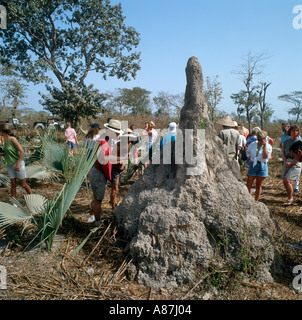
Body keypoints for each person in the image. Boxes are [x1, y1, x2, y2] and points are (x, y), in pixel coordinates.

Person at [88, 119, 125, 226]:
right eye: (116, 133)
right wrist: (118, 161)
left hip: (99, 172)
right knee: (98, 200)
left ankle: (92, 216)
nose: (118, 135)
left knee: (96, 198)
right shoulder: (103, 142)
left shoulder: (104, 140)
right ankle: (97, 222)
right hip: (99, 173)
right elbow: (104, 160)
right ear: (110, 132)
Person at [0, 124, 32, 199]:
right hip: (9, 165)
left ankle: (32, 197)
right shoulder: (5, 140)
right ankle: (14, 201)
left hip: (18, 164)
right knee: (13, 184)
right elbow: (8, 152)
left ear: (2, 131)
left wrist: (18, 164)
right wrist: (3, 154)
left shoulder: (13, 139)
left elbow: (22, 151)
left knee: (23, 184)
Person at [110, 130, 136, 211]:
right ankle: (113, 208)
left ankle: (113, 203)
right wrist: (124, 159)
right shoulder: (117, 146)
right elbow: (112, 161)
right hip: (115, 169)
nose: (130, 140)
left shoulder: (129, 144)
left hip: (121, 169)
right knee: (115, 189)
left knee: (117, 189)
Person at [246, 130, 272, 202]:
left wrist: (264, 146)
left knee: (258, 184)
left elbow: (265, 156)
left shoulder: (268, 146)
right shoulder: (253, 144)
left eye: (261, 140)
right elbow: (247, 152)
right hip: (253, 164)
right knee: (249, 183)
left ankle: (256, 201)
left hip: (262, 165)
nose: (260, 141)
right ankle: (247, 199)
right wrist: (250, 158)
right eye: (258, 139)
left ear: (265, 139)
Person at [281, 125, 302, 206]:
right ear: (290, 132)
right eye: (293, 130)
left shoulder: (299, 142)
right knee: (284, 181)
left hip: (296, 162)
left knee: (287, 180)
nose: (295, 132)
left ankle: (290, 198)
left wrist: (292, 163)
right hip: (287, 161)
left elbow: (300, 157)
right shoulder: (286, 142)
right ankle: (290, 195)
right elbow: (283, 152)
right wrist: (285, 161)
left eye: (296, 131)